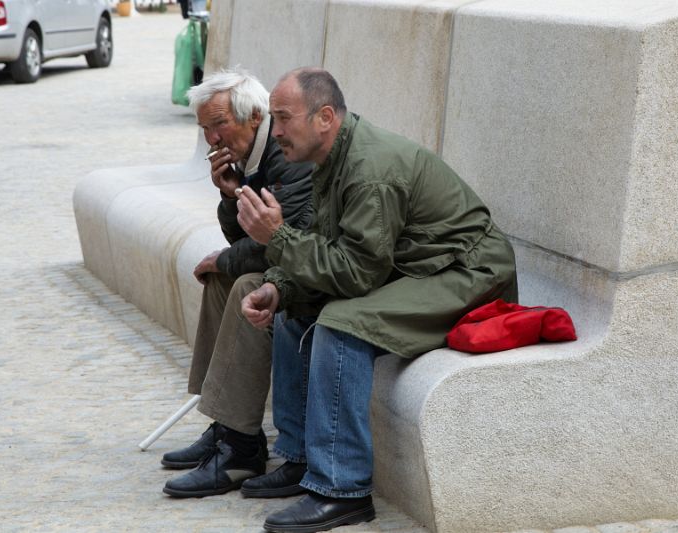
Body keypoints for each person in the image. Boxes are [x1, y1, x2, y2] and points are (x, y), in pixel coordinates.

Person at [235, 68, 518, 533]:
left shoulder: (369, 170)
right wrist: (280, 287)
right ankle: (301, 457)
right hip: (417, 269)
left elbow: (356, 275)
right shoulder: (334, 156)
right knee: (293, 315)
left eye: (283, 118)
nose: (276, 131)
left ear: (325, 117)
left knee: (341, 323)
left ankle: (341, 489)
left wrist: (277, 238)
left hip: (470, 275)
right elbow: (334, 247)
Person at [160, 68, 313, 499]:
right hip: (295, 258)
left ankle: (242, 448)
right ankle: (225, 423)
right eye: (205, 128)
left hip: (316, 265)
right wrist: (231, 196)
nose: (211, 139)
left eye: (218, 124)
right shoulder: (252, 155)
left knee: (243, 282)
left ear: (255, 117)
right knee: (224, 281)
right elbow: (247, 236)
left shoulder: (286, 154)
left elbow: (278, 245)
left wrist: (225, 259)